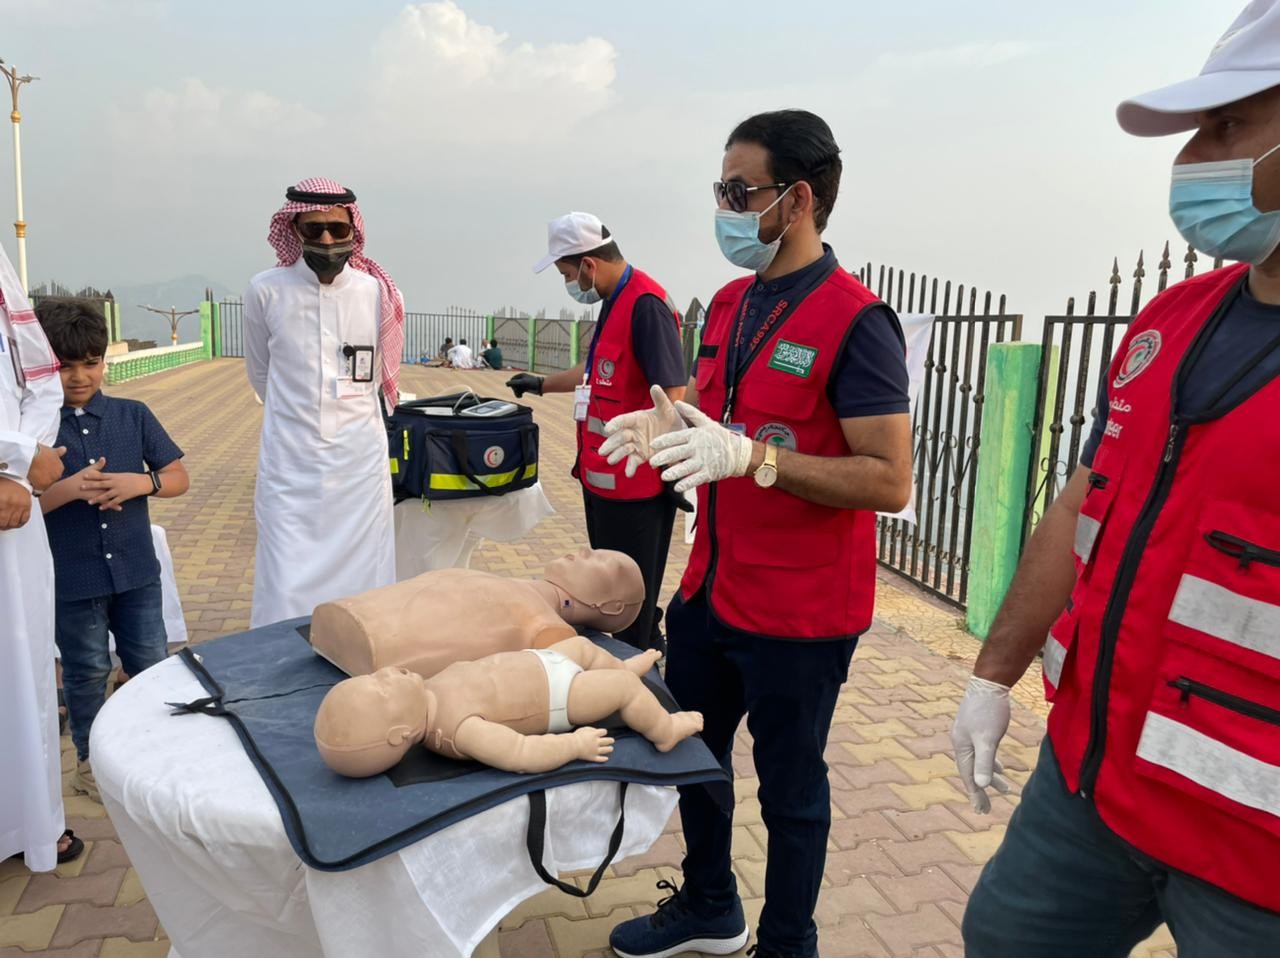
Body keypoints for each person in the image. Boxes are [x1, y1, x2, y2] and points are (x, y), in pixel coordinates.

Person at [952, 5, 1280, 956]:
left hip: (1254, 861)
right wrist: (993, 676)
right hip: (1092, 790)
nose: (1191, 160)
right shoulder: (1167, 324)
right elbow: (1085, 499)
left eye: (1225, 126)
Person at [601, 110, 913, 958]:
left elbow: (889, 479)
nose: (724, 208)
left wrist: (754, 459)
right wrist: (668, 424)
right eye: (721, 189)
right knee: (691, 755)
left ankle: (787, 942)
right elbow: (717, 413)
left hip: (800, 611)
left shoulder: (856, 320)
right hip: (711, 588)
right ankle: (710, 904)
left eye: (740, 192)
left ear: (798, 200)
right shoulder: (733, 304)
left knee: (791, 790)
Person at [507, 212, 687, 654]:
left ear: (588, 264)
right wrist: (541, 384)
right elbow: (593, 372)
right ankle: (645, 650)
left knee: (630, 599)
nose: (569, 284)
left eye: (567, 274)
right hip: (604, 484)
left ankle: (638, 673)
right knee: (614, 594)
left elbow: (673, 394)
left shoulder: (646, 305)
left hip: (636, 488)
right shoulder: (614, 301)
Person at [36, 298, 190, 803]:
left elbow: (177, 477)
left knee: (150, 663)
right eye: (65, 366)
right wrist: (69, 488)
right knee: (86, 674)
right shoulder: (33, 432)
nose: (79, 376)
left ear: (105, 361)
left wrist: (139, 483)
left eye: (91, 362)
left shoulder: (133, 415)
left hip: (137, 572)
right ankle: (91, 764)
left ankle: (154, 755)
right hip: (72, 579)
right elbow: (22, 508)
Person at [244, 178, 404, 628]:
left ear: (355, 230)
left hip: (359, 464)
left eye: (338, 229)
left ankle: (359, 651)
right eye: (314, 229)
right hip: (290, 464)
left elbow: (380, 376)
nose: (328, 240)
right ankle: (279, 658)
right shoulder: (265, 290)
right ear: (294, 229)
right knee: (284, 574)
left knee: (365, 576)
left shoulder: (377, 292)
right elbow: (261, 375)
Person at [0, 243, 84, 867]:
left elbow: (40, 380)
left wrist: (20, 466)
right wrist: (13, 459)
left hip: (17, 503)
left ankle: (27, 824)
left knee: (23, 663)